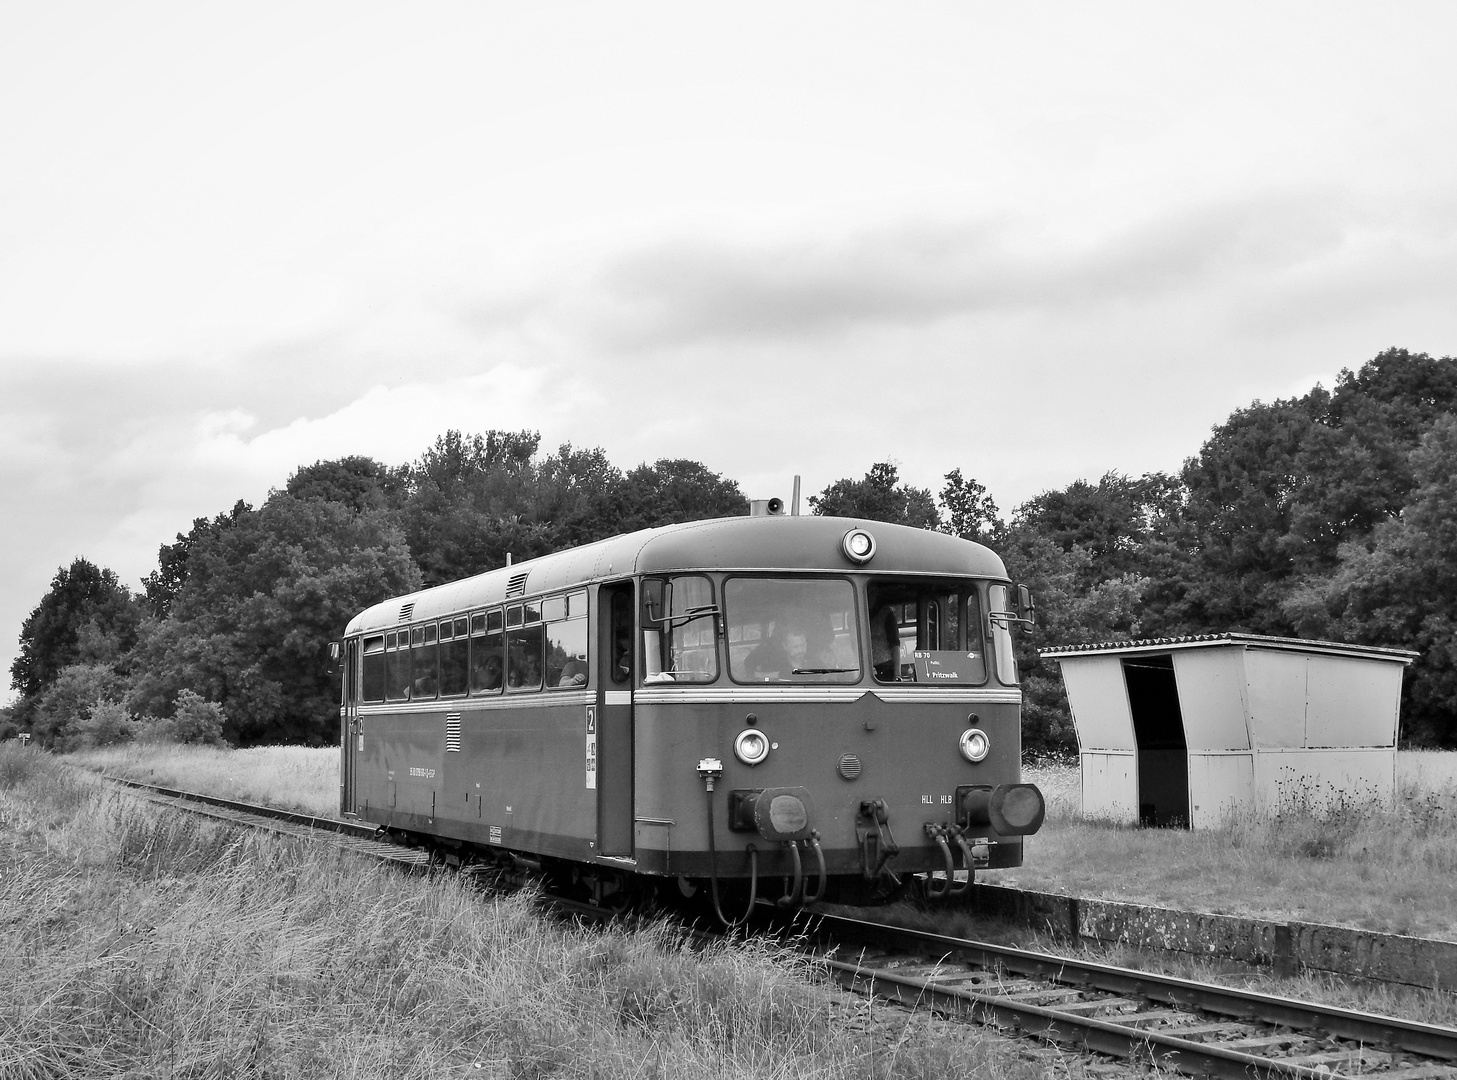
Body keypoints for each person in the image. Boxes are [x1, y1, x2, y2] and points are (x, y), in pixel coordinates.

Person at [871, 606, 901, 682]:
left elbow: (895, 644)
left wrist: (897, 675)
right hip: (863, 669)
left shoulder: (886, 614)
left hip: (885, 668)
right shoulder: (854, 614)